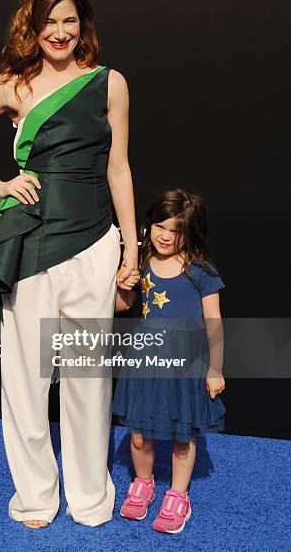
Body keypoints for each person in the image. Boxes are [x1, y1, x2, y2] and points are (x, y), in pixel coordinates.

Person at [0, 0, 139, 529]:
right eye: (49, 21)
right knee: (26, 380)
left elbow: (118, 167)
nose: (60, 32)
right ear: (33, 26)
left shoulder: (110, 84)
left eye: (69, 20)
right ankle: (34, 498)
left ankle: (90, 497)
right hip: (29, 245)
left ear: (83, 26)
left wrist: (130, 248)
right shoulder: (12, 85)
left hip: (95, 242)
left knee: (87, 380)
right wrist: (0, 185)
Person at [112, 188, 226, 534]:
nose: (165, 235)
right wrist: (122, 284)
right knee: (138, 435)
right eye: (160, 226)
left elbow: (214, 323)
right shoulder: (142, 260)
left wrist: (215, 369)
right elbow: (121, 306)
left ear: (190, 232)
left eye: (176, 230)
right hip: (145, 359)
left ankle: (178, 495)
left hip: (186, 363)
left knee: (182, 433)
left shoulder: (201, 271)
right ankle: (143, 484)